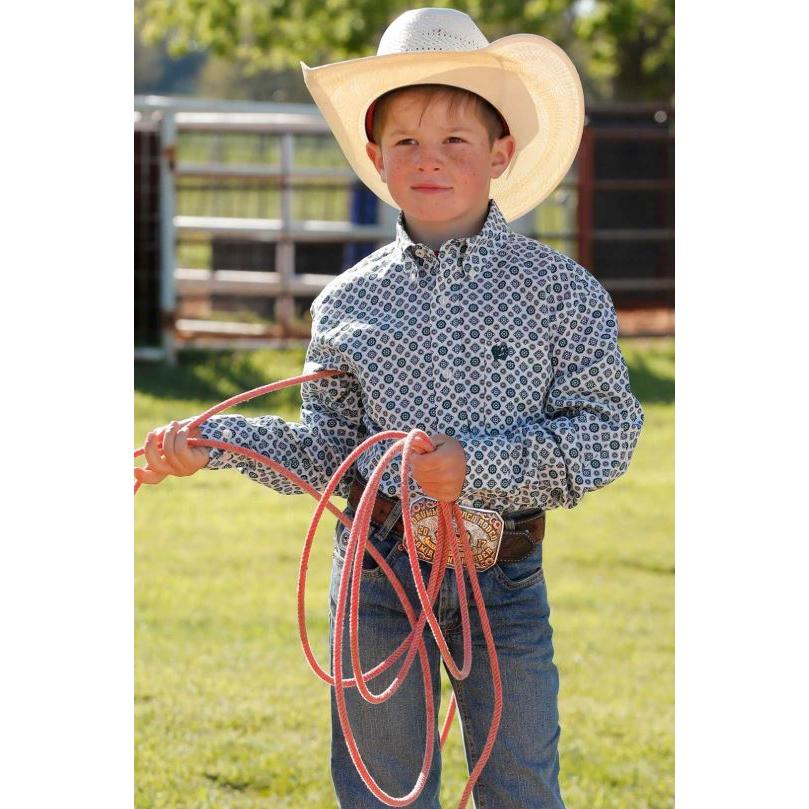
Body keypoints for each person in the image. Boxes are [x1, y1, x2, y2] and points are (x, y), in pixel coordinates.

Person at [135, 7, 644, 808]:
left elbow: (607, 431)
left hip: (502, 578)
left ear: (500, 152)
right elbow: (328, 454)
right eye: (404, 140)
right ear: (375, 158)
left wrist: (476, 466)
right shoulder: (346, 304)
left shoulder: (560, 294)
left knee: (518, 785)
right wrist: (215, 442)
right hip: (376, 575)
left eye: (454, 140)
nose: (427, 158)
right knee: (382, 793)